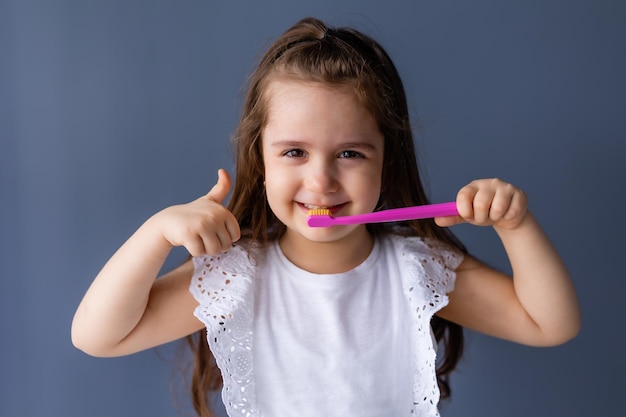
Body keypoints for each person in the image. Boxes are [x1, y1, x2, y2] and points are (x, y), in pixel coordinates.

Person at [71, 17, 580, 417]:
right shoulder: (235, 277)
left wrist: (517, 226)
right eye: (294, 152)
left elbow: (548, 324)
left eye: (350, 154)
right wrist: (154, 235)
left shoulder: (415, 272)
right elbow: (98, 336)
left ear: (387, 160)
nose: (321, 182)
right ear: (261, 161)